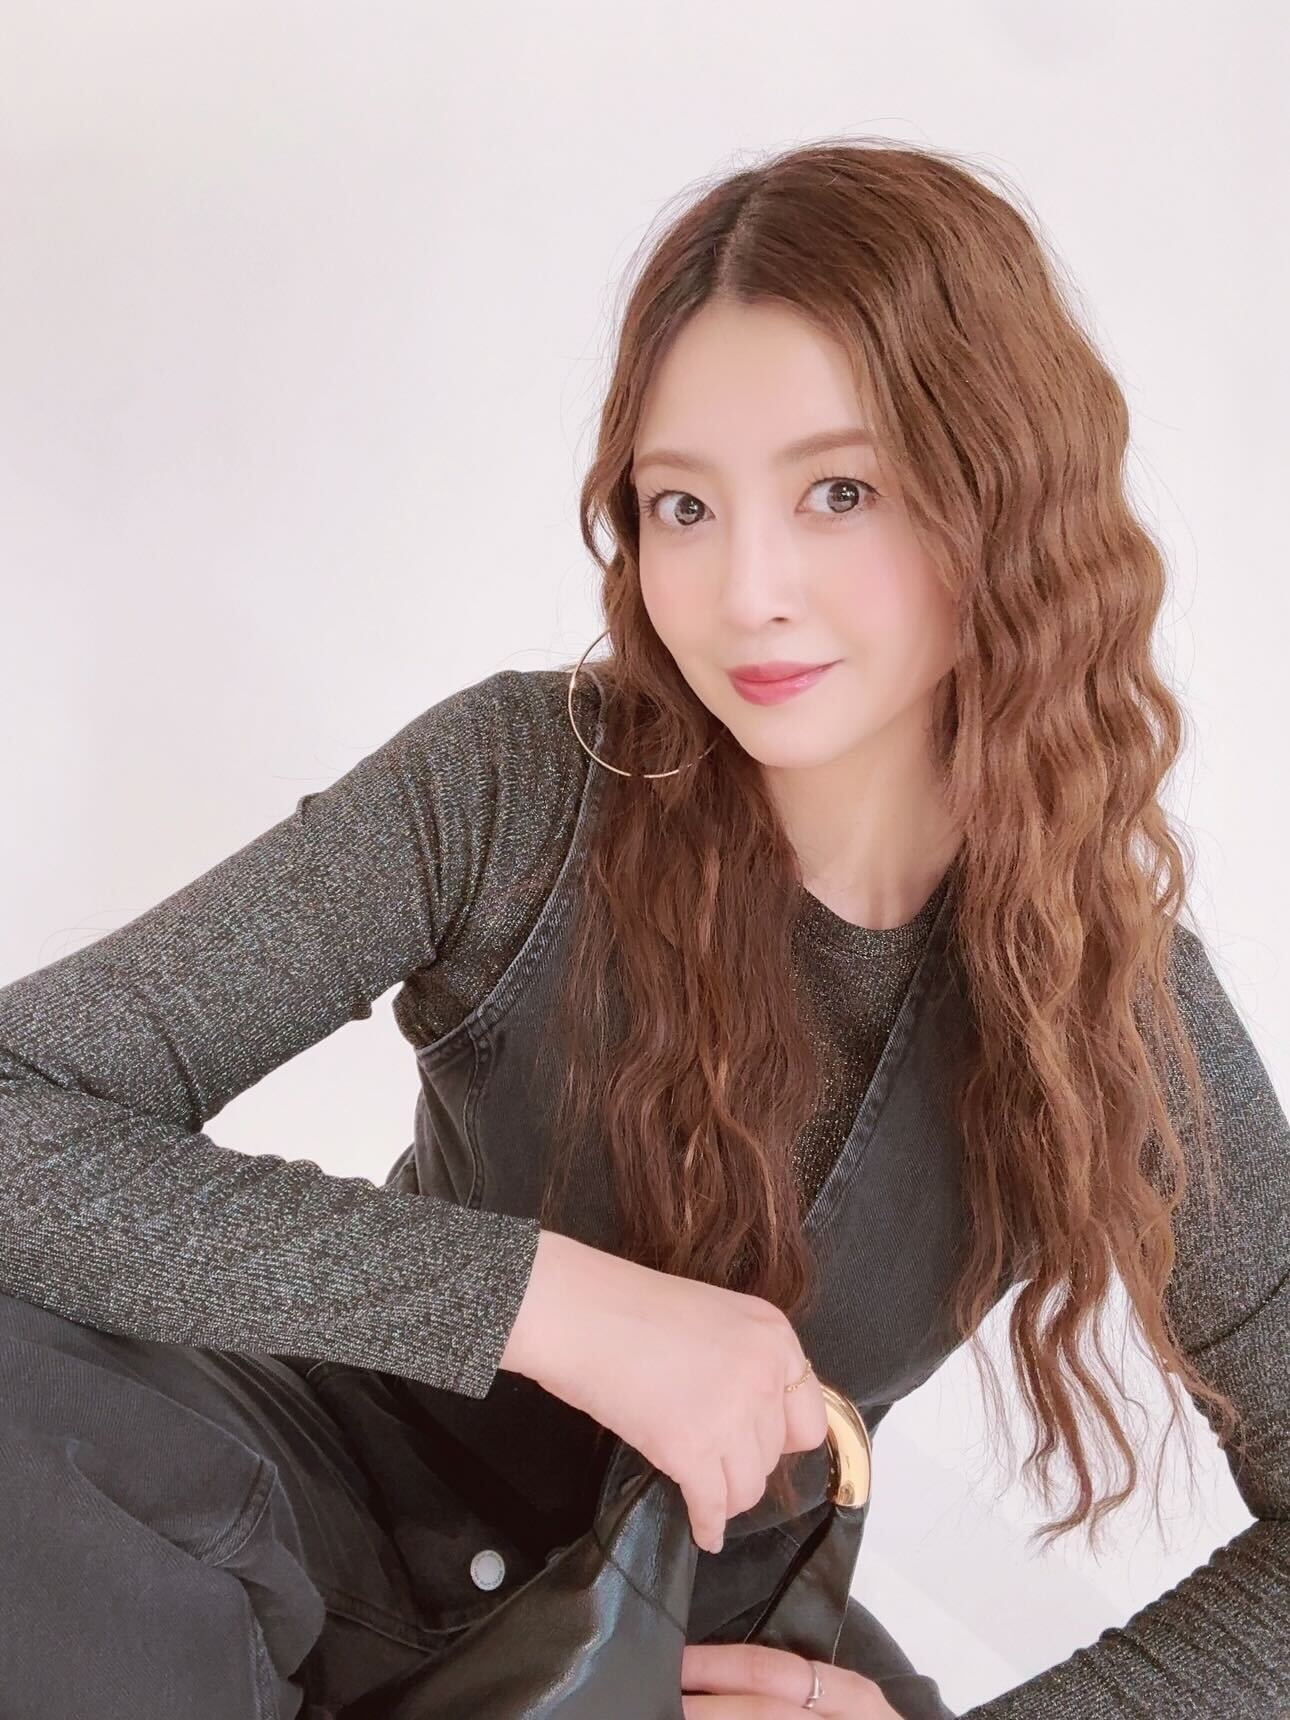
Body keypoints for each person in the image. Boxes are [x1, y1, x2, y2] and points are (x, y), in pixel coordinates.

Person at [0, 136, 1285, 1720]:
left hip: (681, 1653)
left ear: (1004, 497)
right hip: (284, 1533)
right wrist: (552, 1304)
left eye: (838, 492)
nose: (745, 590)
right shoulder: (520, 782)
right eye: (682, 504)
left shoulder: (1113, 997)